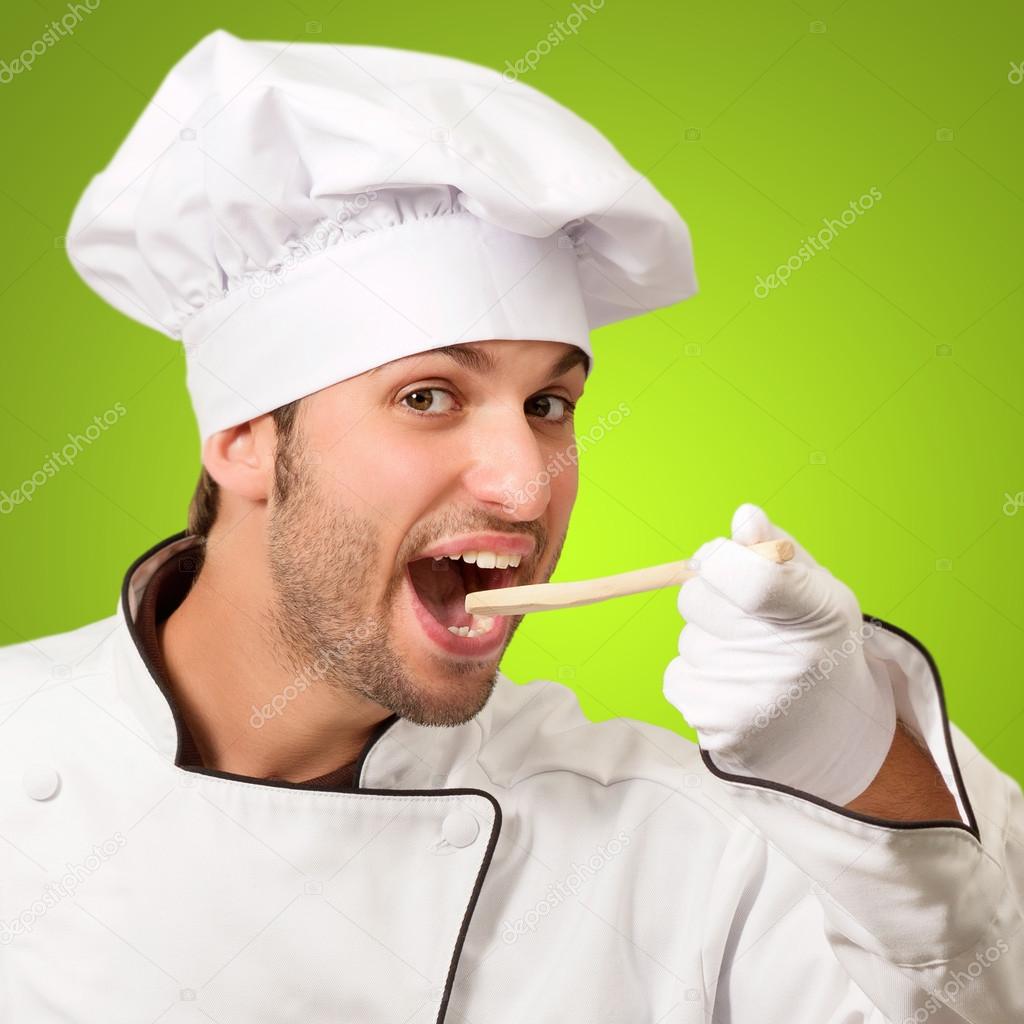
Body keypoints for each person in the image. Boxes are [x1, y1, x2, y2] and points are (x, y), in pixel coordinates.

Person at [2, 28, 1020, 1022]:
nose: (527, 488)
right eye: (429, 396)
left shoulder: (681, 847)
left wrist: (856, 758)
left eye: (548, 406)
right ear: (244, 438)